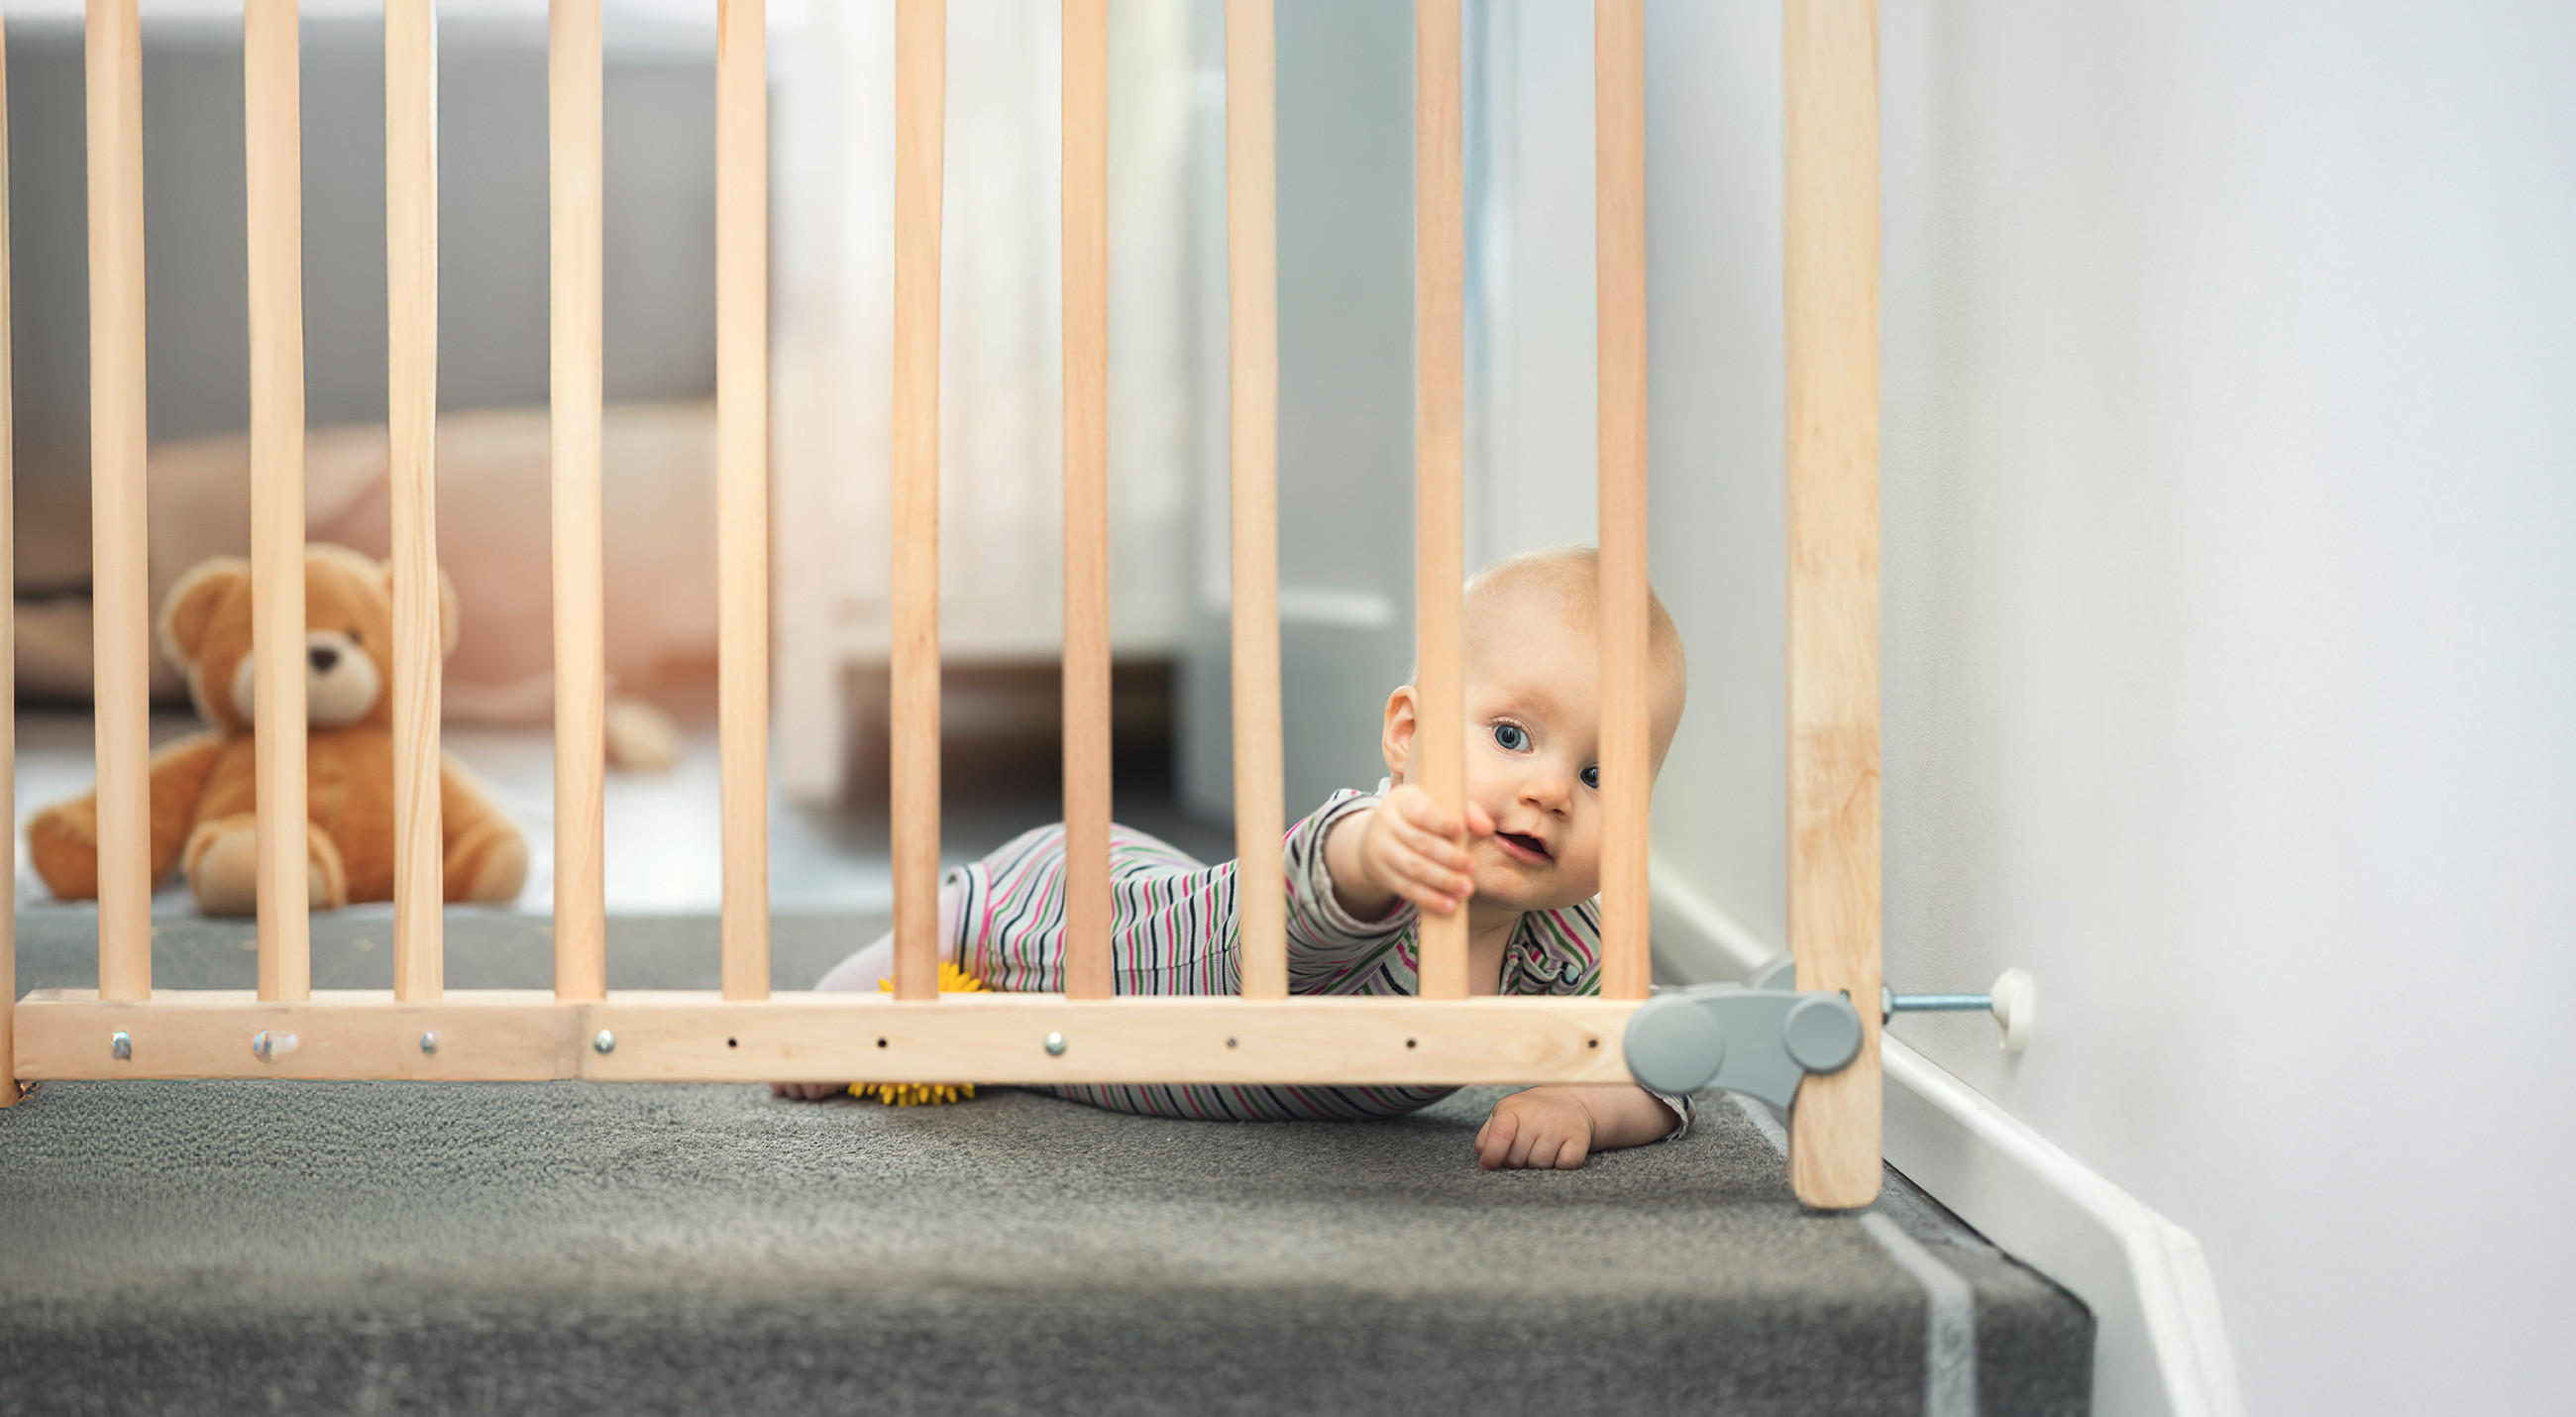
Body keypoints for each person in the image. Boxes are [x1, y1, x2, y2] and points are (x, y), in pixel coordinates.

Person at [776, 546, 1692, 1170]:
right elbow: (1309, 898)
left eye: (1600, 771)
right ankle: (826, 1007)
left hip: (1097, 1054)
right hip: (1086, 909)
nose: (1551, 792)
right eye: (1509, 734)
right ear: (1407, 737)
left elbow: (1657, 1067)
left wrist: (1581, 1108)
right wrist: (1378, 847)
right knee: (963, 921)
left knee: (1008, 1045)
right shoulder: (1378, 847)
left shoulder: (1564, 944)